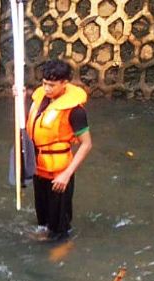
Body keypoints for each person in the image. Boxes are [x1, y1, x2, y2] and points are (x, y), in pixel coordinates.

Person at [25, 59, 92, 241]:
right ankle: (45, 237)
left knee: (60, 223)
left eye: (52, 85)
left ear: (65, 83)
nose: (47, 89)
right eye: (44, 83)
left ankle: (63, 247)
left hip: (59, 173)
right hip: (39, 169)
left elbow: (86, 144)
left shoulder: (75, 111)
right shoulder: (41, 99)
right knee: (43, 218)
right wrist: (19, 95)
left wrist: (66, 174)